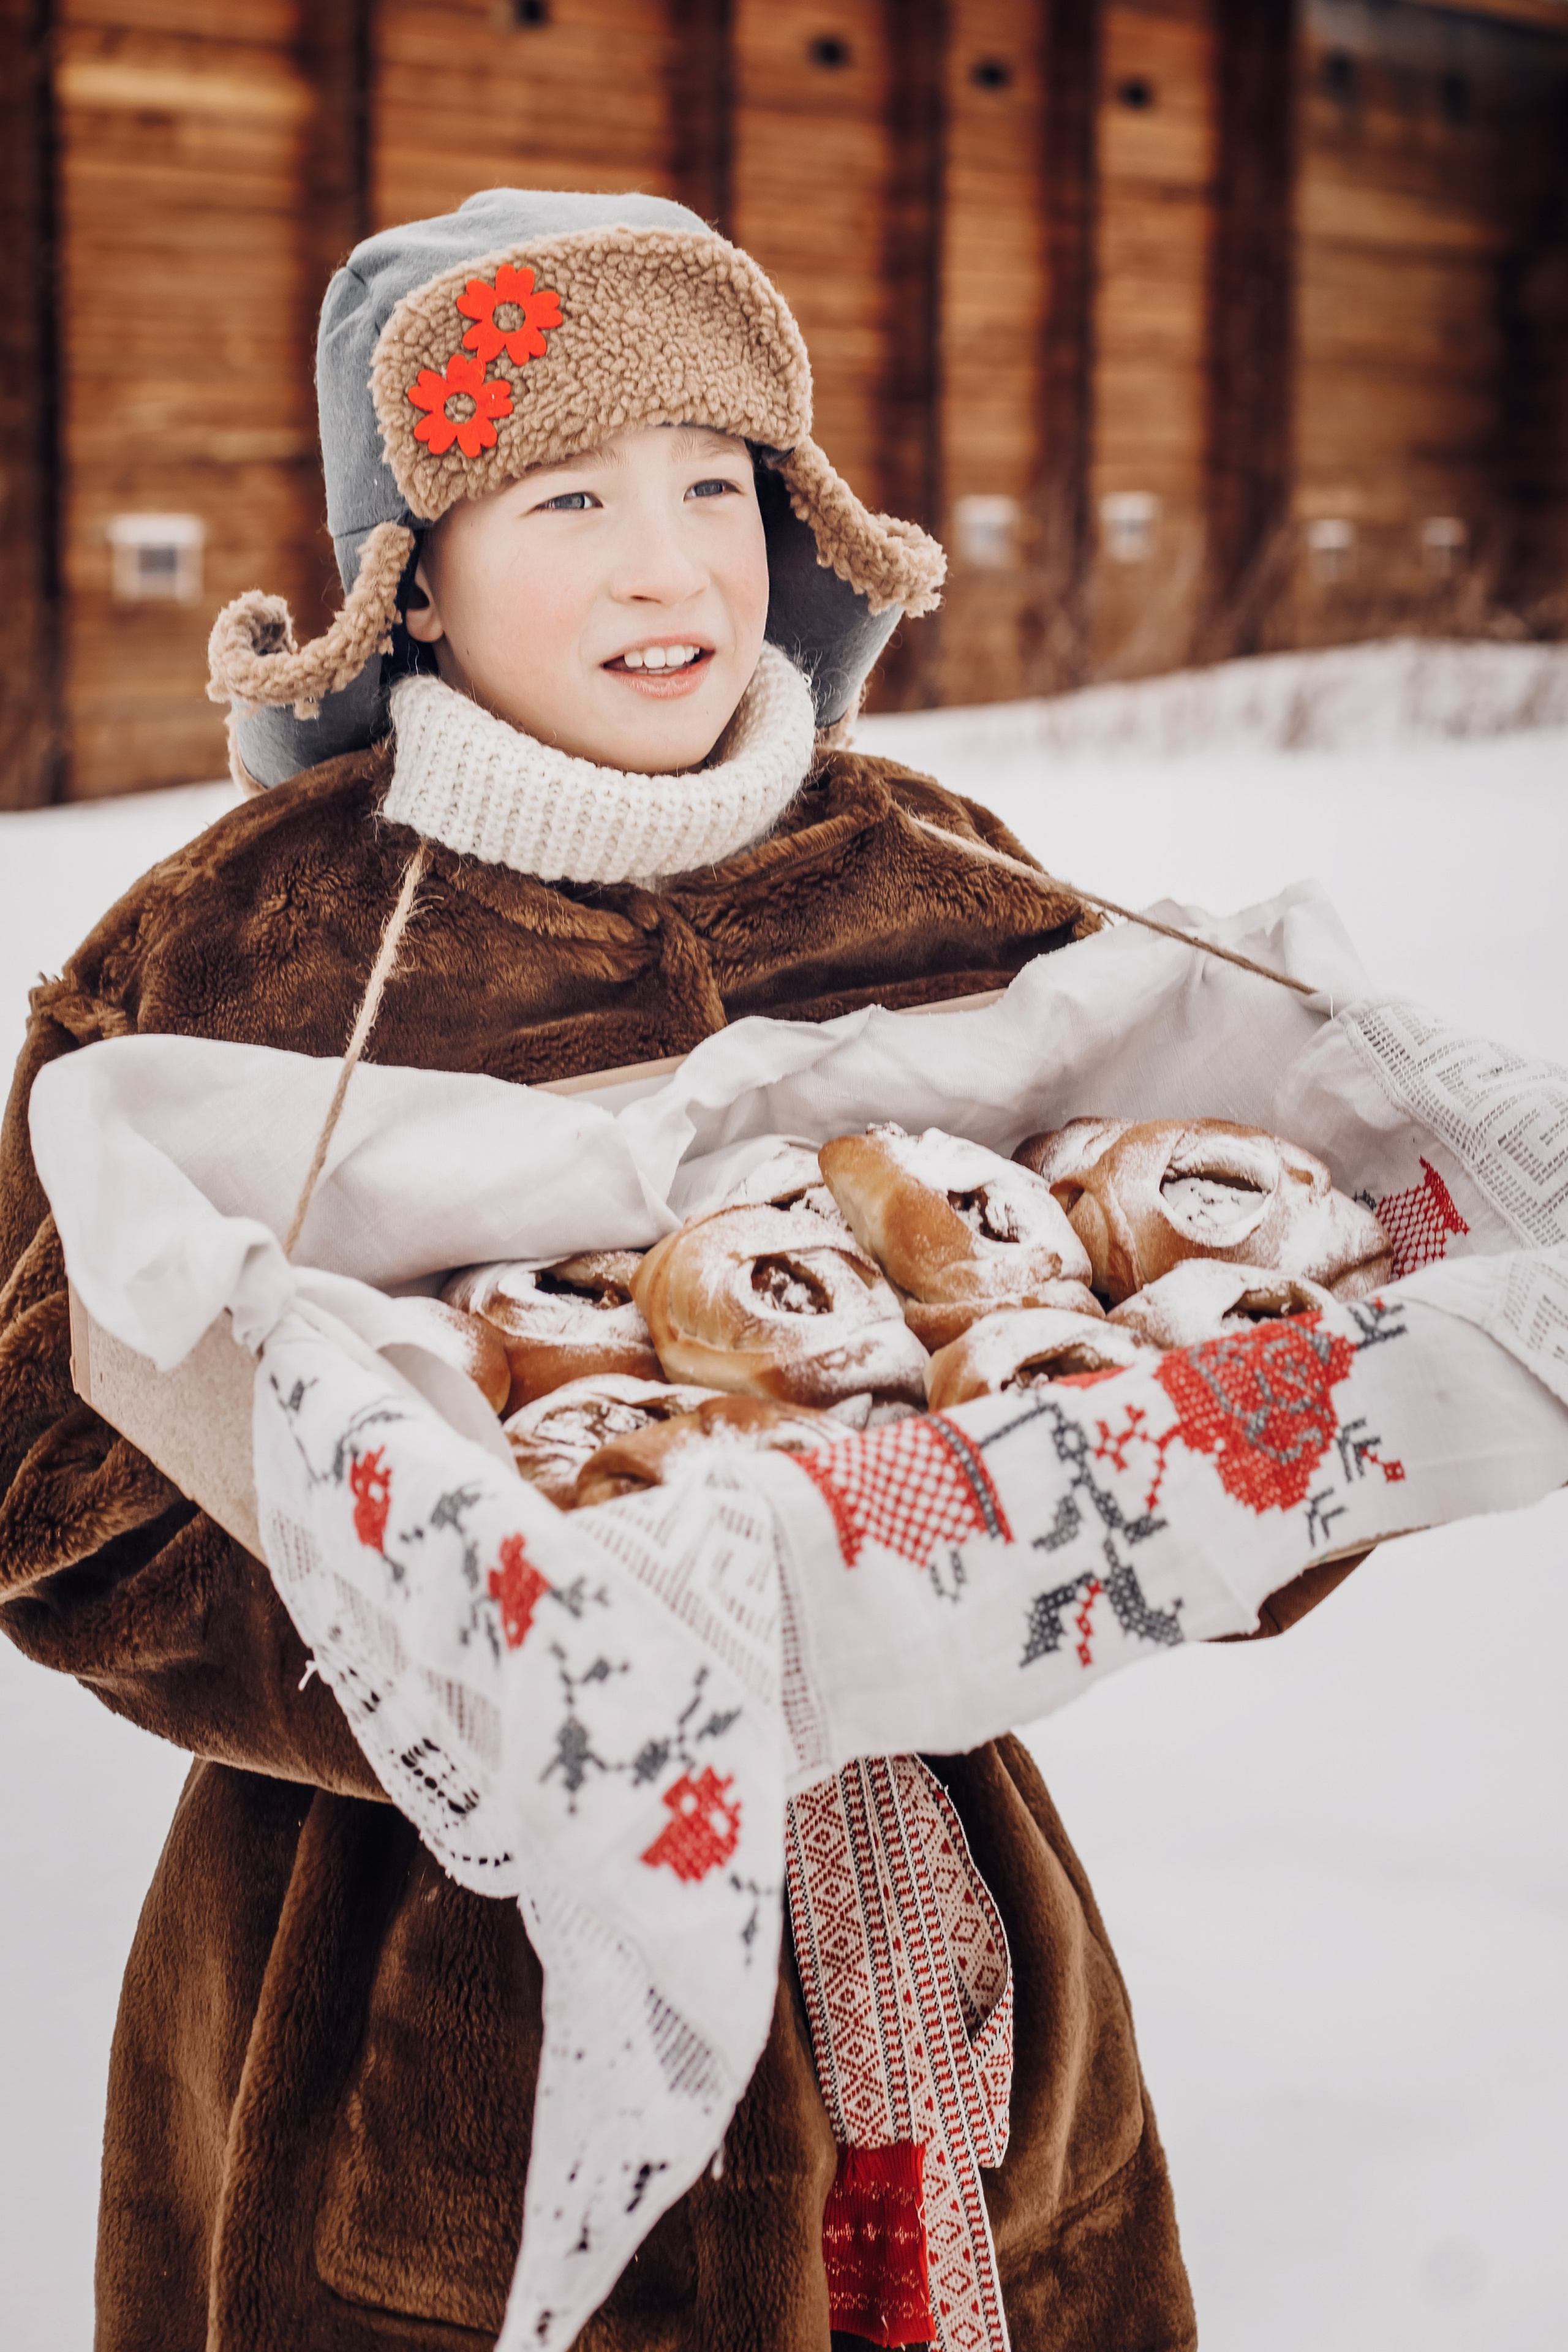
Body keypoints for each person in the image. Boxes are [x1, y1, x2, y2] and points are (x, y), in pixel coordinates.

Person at [0, 189, 1352, 2351]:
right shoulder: (232, 951)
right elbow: (53, 1495)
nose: (671, 565)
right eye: (570, 493)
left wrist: (1233, 1475)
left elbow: (1143, 1320)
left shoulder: (922, 881)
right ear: (409, 576)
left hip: (926, 1916)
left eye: (716, 484)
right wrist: (472, 1659)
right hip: (424, 1985)